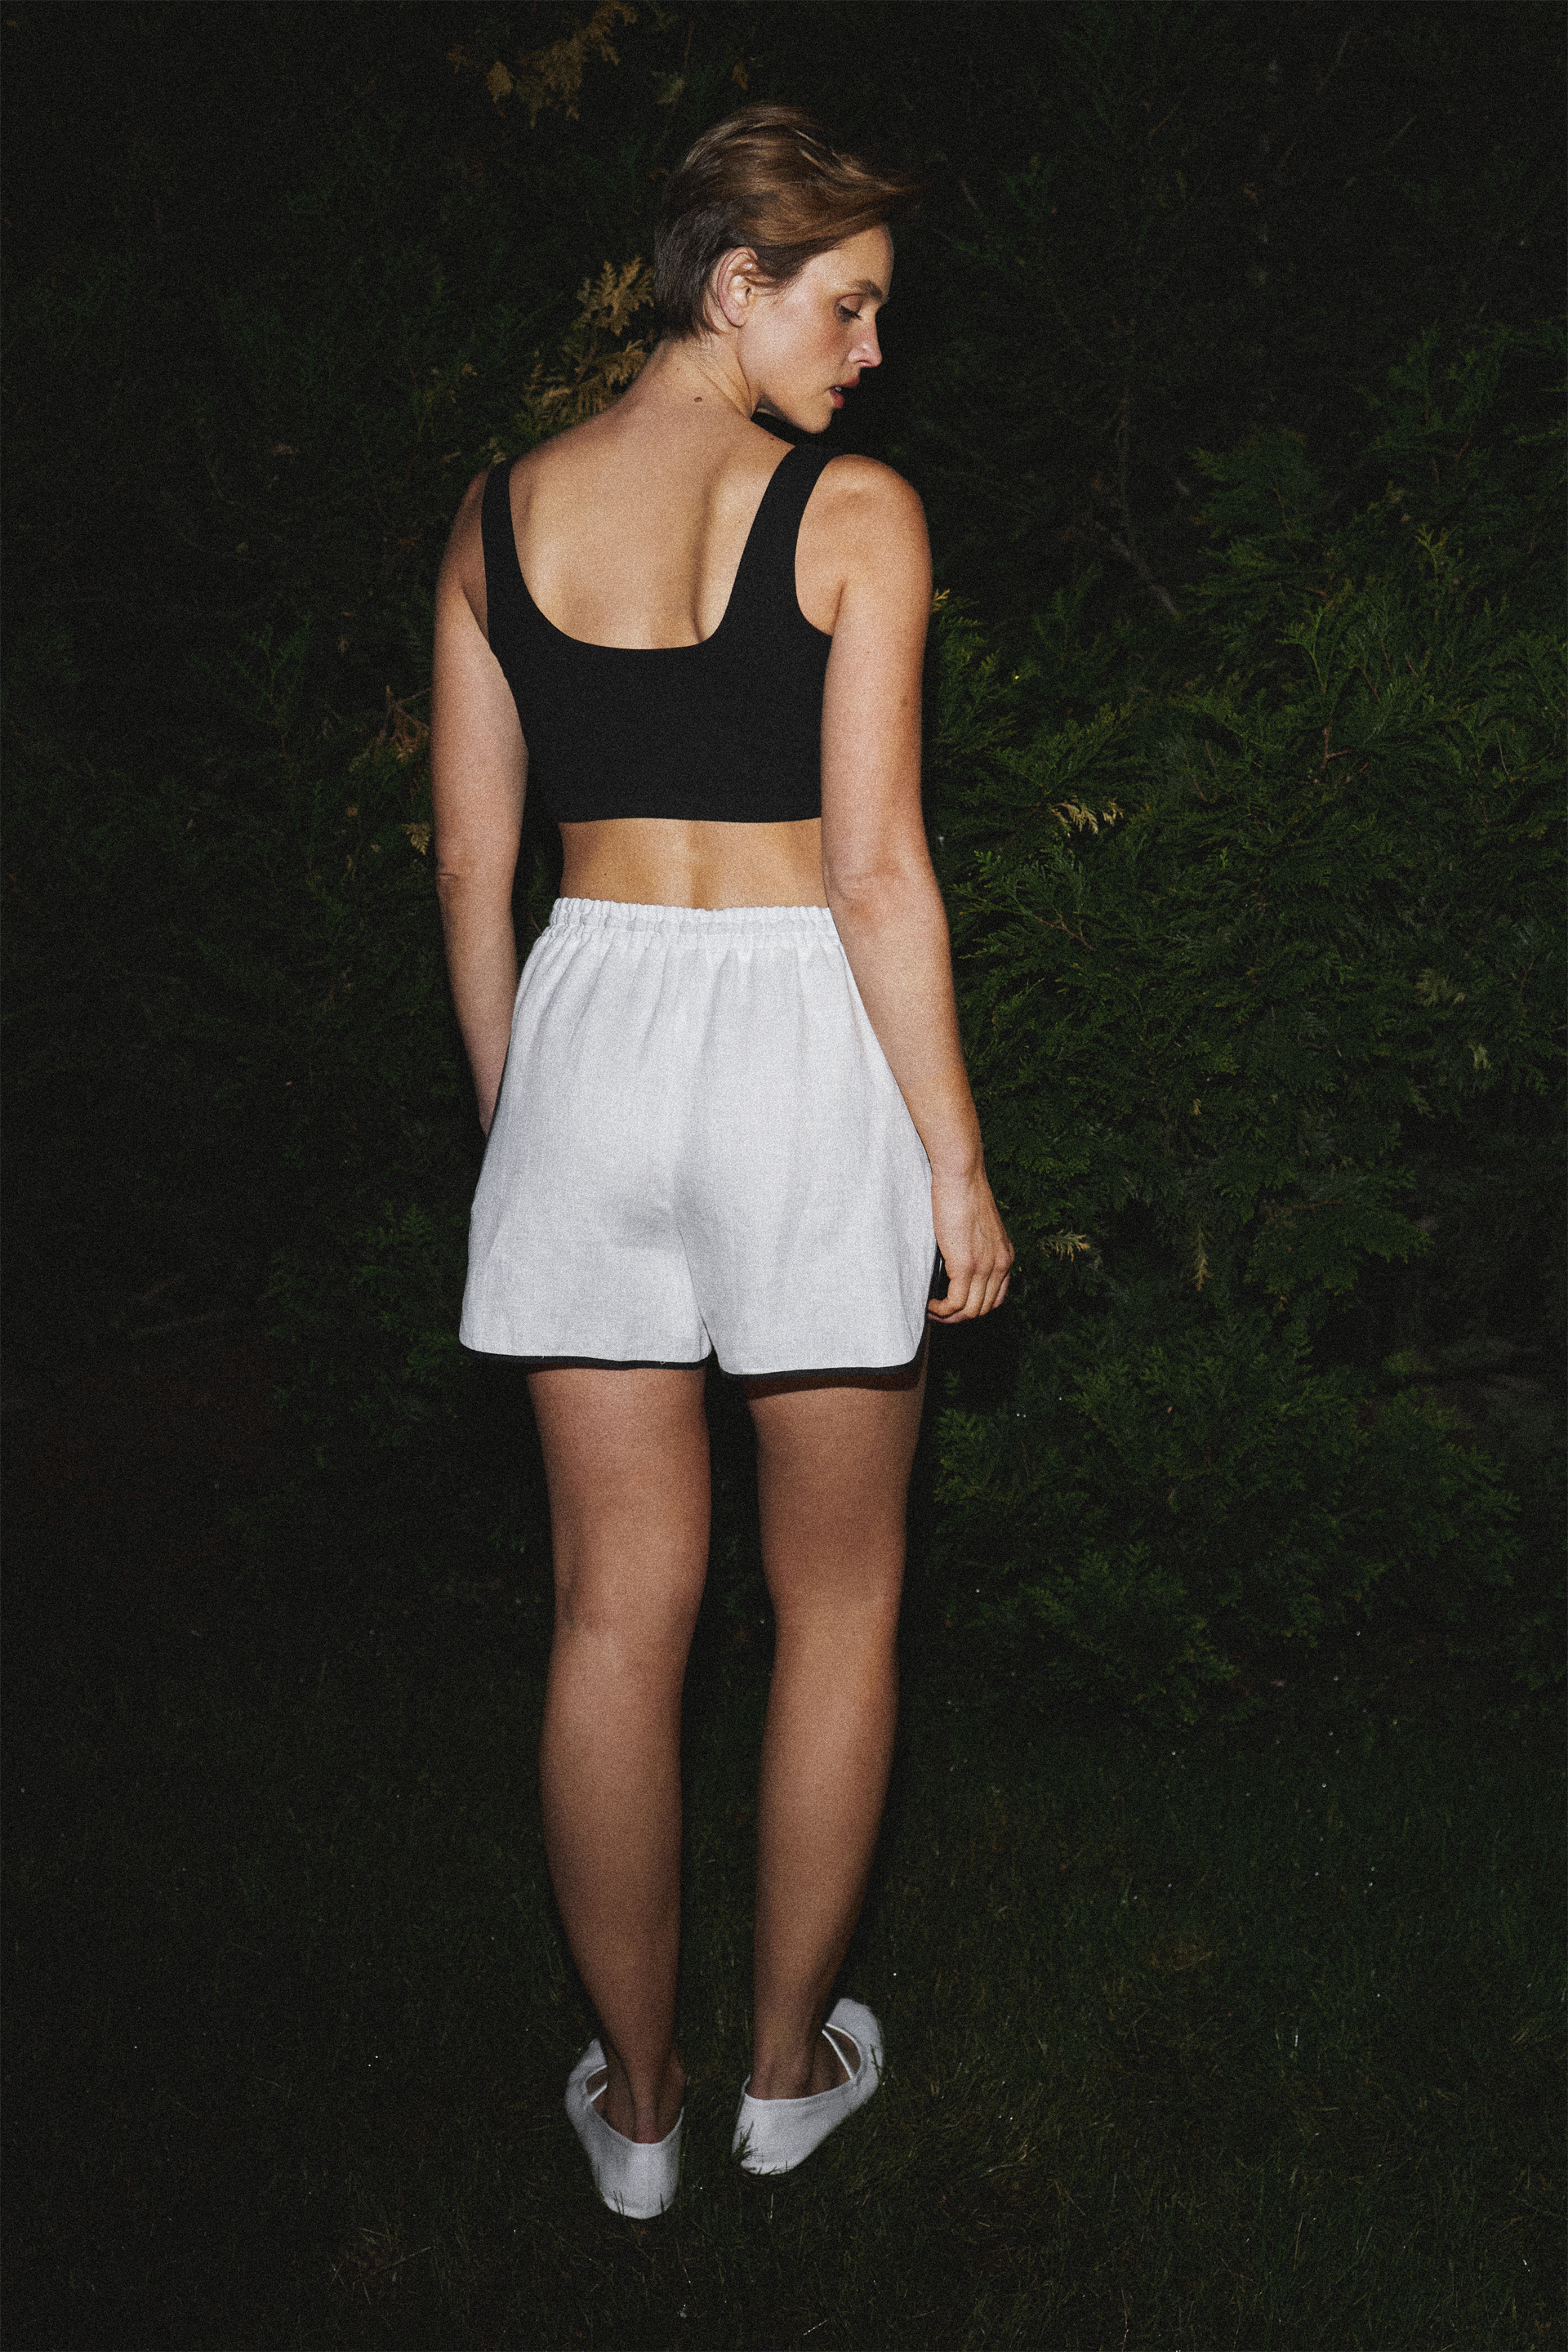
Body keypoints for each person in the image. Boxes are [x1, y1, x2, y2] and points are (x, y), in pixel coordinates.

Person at [430, 105, 1012, 2220]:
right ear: (735, 284)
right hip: (796, 1047)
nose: (870, 351)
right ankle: (782, 2076)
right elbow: (874, 873)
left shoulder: (498, 517)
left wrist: (526, 1121)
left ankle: (645, 2113)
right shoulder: (856, 515)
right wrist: (957, 1166)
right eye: (844, 305)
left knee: (615, 1609)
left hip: (588, 1026)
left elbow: (474, 867)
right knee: (837, 1598)